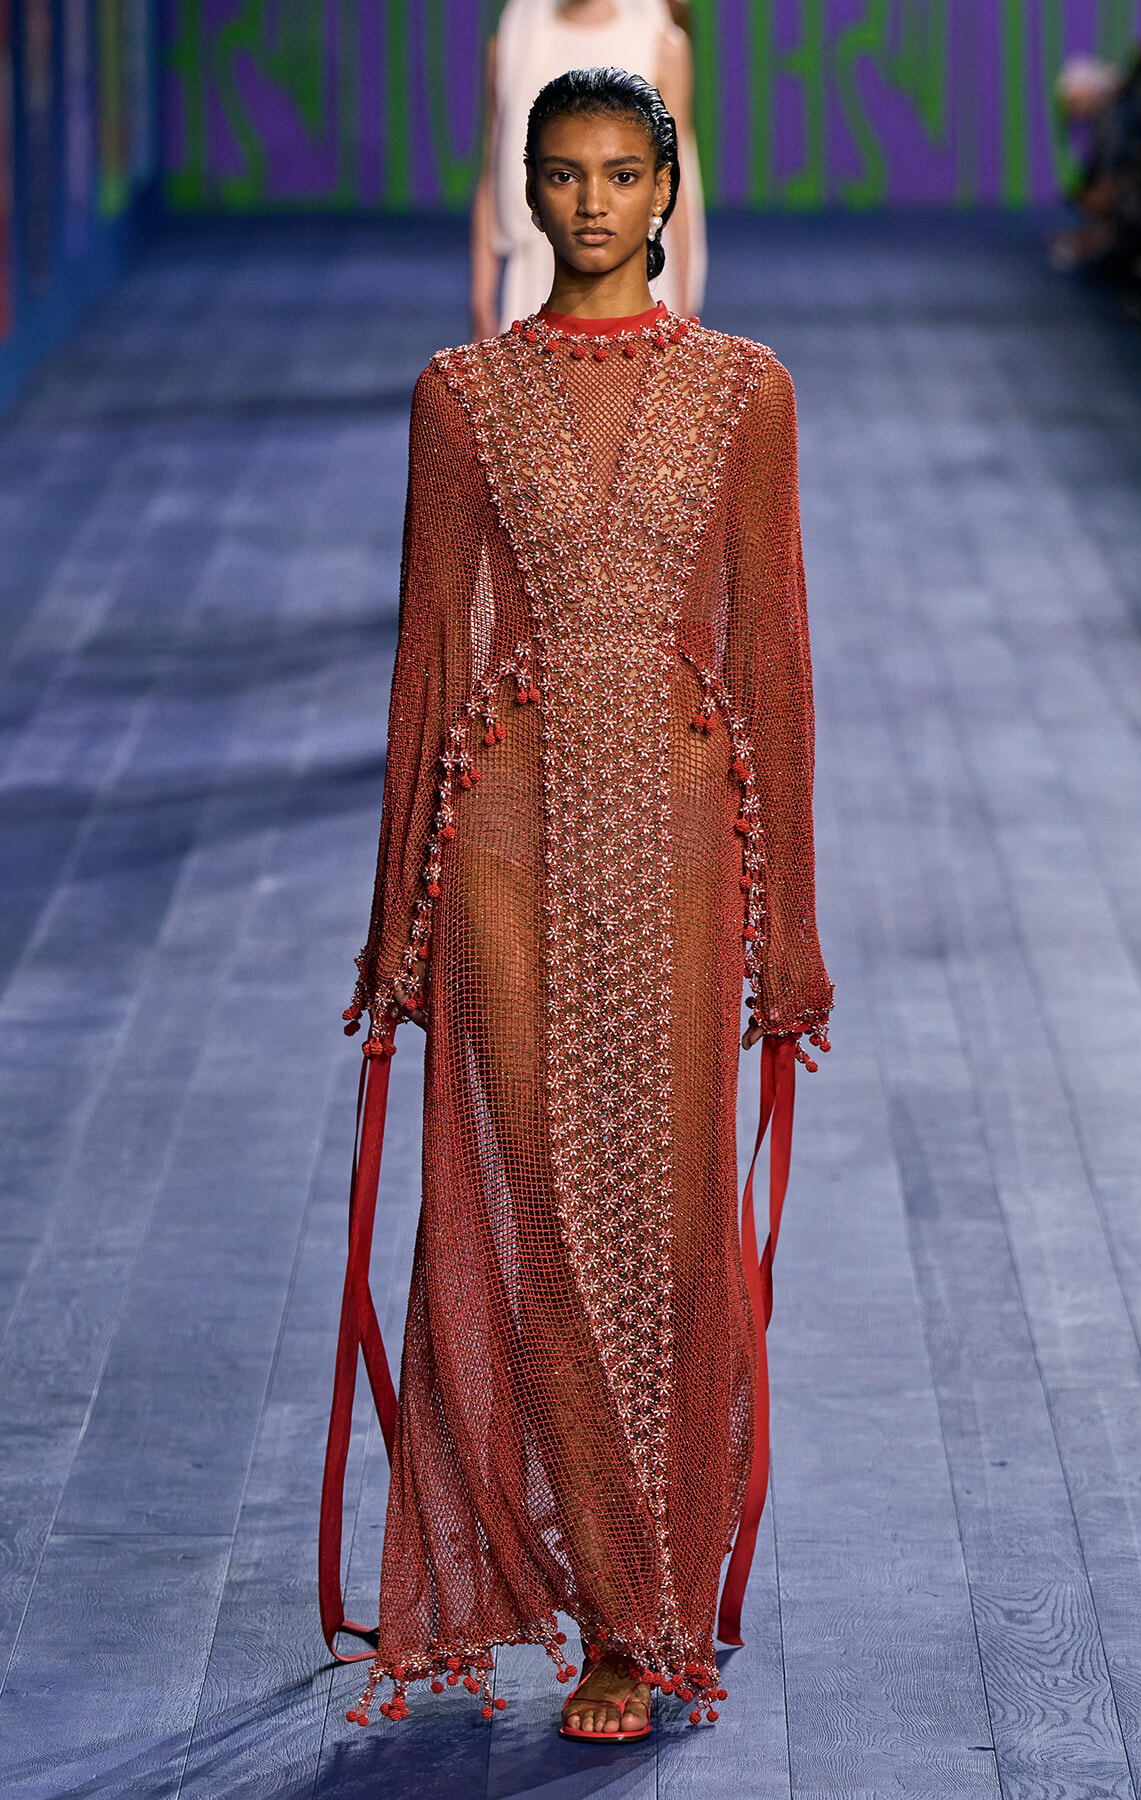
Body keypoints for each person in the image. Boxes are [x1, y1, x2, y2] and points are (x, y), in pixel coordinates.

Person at [337, 66, 832, 1741]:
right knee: (543, 1212)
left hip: (690, 836)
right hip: (505, 833)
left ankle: (654, 1581)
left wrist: (800, 937)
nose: (596, 204)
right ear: (527, 194)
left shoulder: (746, 392)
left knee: (672, 1221)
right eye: (564, 176)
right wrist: (395, 919)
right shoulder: (459, 395)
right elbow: (427, 664)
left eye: (625, 174)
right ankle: (624, 1622)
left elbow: (773, 659)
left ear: (669, 191)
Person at [470, 0, 706, 338]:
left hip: (638, 267)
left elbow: (678, 183)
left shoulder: (660, 46)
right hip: (539, 264)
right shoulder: (512, 45)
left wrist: (686, 303)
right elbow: (494, 175)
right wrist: (482, 302)